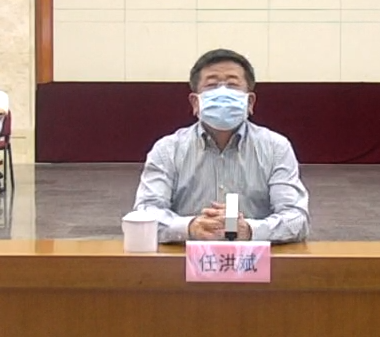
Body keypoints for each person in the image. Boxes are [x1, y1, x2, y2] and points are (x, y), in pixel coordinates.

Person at [132, 49, 310, 243]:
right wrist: (190, 227)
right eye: (211, 85)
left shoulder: (276, 148)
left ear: (250, 102)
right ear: (195, 102)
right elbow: (145, 213)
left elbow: (296, 218)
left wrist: (249, 230)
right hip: (187, 259)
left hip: (254, 259)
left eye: (232, 85)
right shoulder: (167, 150)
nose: (222, 93)